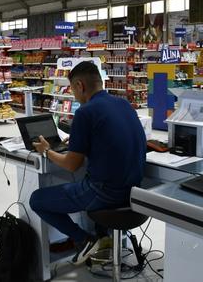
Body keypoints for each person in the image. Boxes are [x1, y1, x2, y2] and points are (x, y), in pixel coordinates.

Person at [29, 61, 147, 265]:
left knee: (37, 200)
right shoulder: (123, 103)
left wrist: (46, 150)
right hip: (134, 191)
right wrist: (78, 141)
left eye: (72, 89)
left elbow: (71, 165)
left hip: (104, 192)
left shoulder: (85, 112)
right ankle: (104, 238)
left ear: (79, 86)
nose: (73, 95)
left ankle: (84, 240)